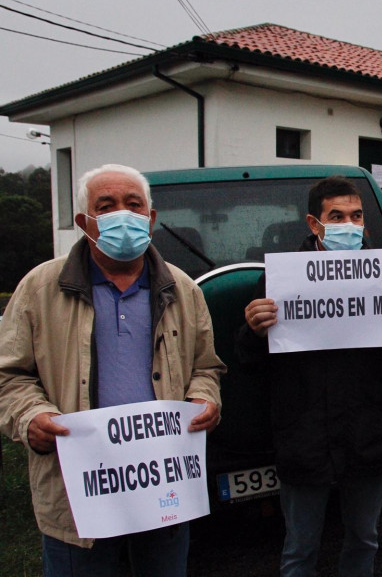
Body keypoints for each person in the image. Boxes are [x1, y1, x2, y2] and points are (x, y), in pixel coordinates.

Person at [0, 164, 224, 576]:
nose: (123, 213)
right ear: (85, 222)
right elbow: (9, 376)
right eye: (107, 206)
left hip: (163, 488)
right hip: (78, 494)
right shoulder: (39, 288)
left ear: (150, 219)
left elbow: (206, 367)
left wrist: (204, 399)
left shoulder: (183, 289)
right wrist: (30, 417)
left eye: (133, 204)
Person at [236, 176, 382, 577]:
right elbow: (251, 362)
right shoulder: (281, 281)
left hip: (368, 435)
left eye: (357, 215)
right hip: (304, 437)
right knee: (300, 547)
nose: (350, 223)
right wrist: (254, 330)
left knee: (364, 538)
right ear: (314, 223)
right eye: (337, 216)